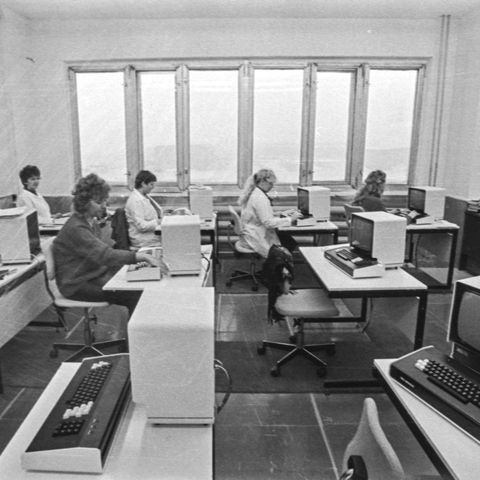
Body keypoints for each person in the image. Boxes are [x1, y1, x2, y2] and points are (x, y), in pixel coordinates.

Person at [53, 173, 159, 316]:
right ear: (85, 202)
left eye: (104, 201)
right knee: (134, 294)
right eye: (99, 202)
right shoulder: (77, 228)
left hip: (92, 275)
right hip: (76, 285)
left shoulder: (90, 222)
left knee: (135, 285)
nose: (103, 206)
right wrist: (140, 257)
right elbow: (104, 255)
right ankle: (135, 330)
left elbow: (102, 255)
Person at [238, 169, 302, 258]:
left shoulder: (255, 192)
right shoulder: (260, 198)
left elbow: (259, 215)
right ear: (262, 181)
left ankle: (280, 264)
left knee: (288, 240)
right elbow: (268, 223)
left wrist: (281, 214)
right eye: (270, 183)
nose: (272, 186)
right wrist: (290, 219)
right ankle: (276, 265)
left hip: (252, 232)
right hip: (257, 236)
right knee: (289, 242)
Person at [125, 170, 163, 249]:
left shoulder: (144, 196)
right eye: (151, 184)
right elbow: (142, 226)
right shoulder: (135, 201)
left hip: (150, 236)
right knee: (174, 240)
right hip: (143, 240)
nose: (153, 187)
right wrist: (158, 222)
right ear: (143, 184)